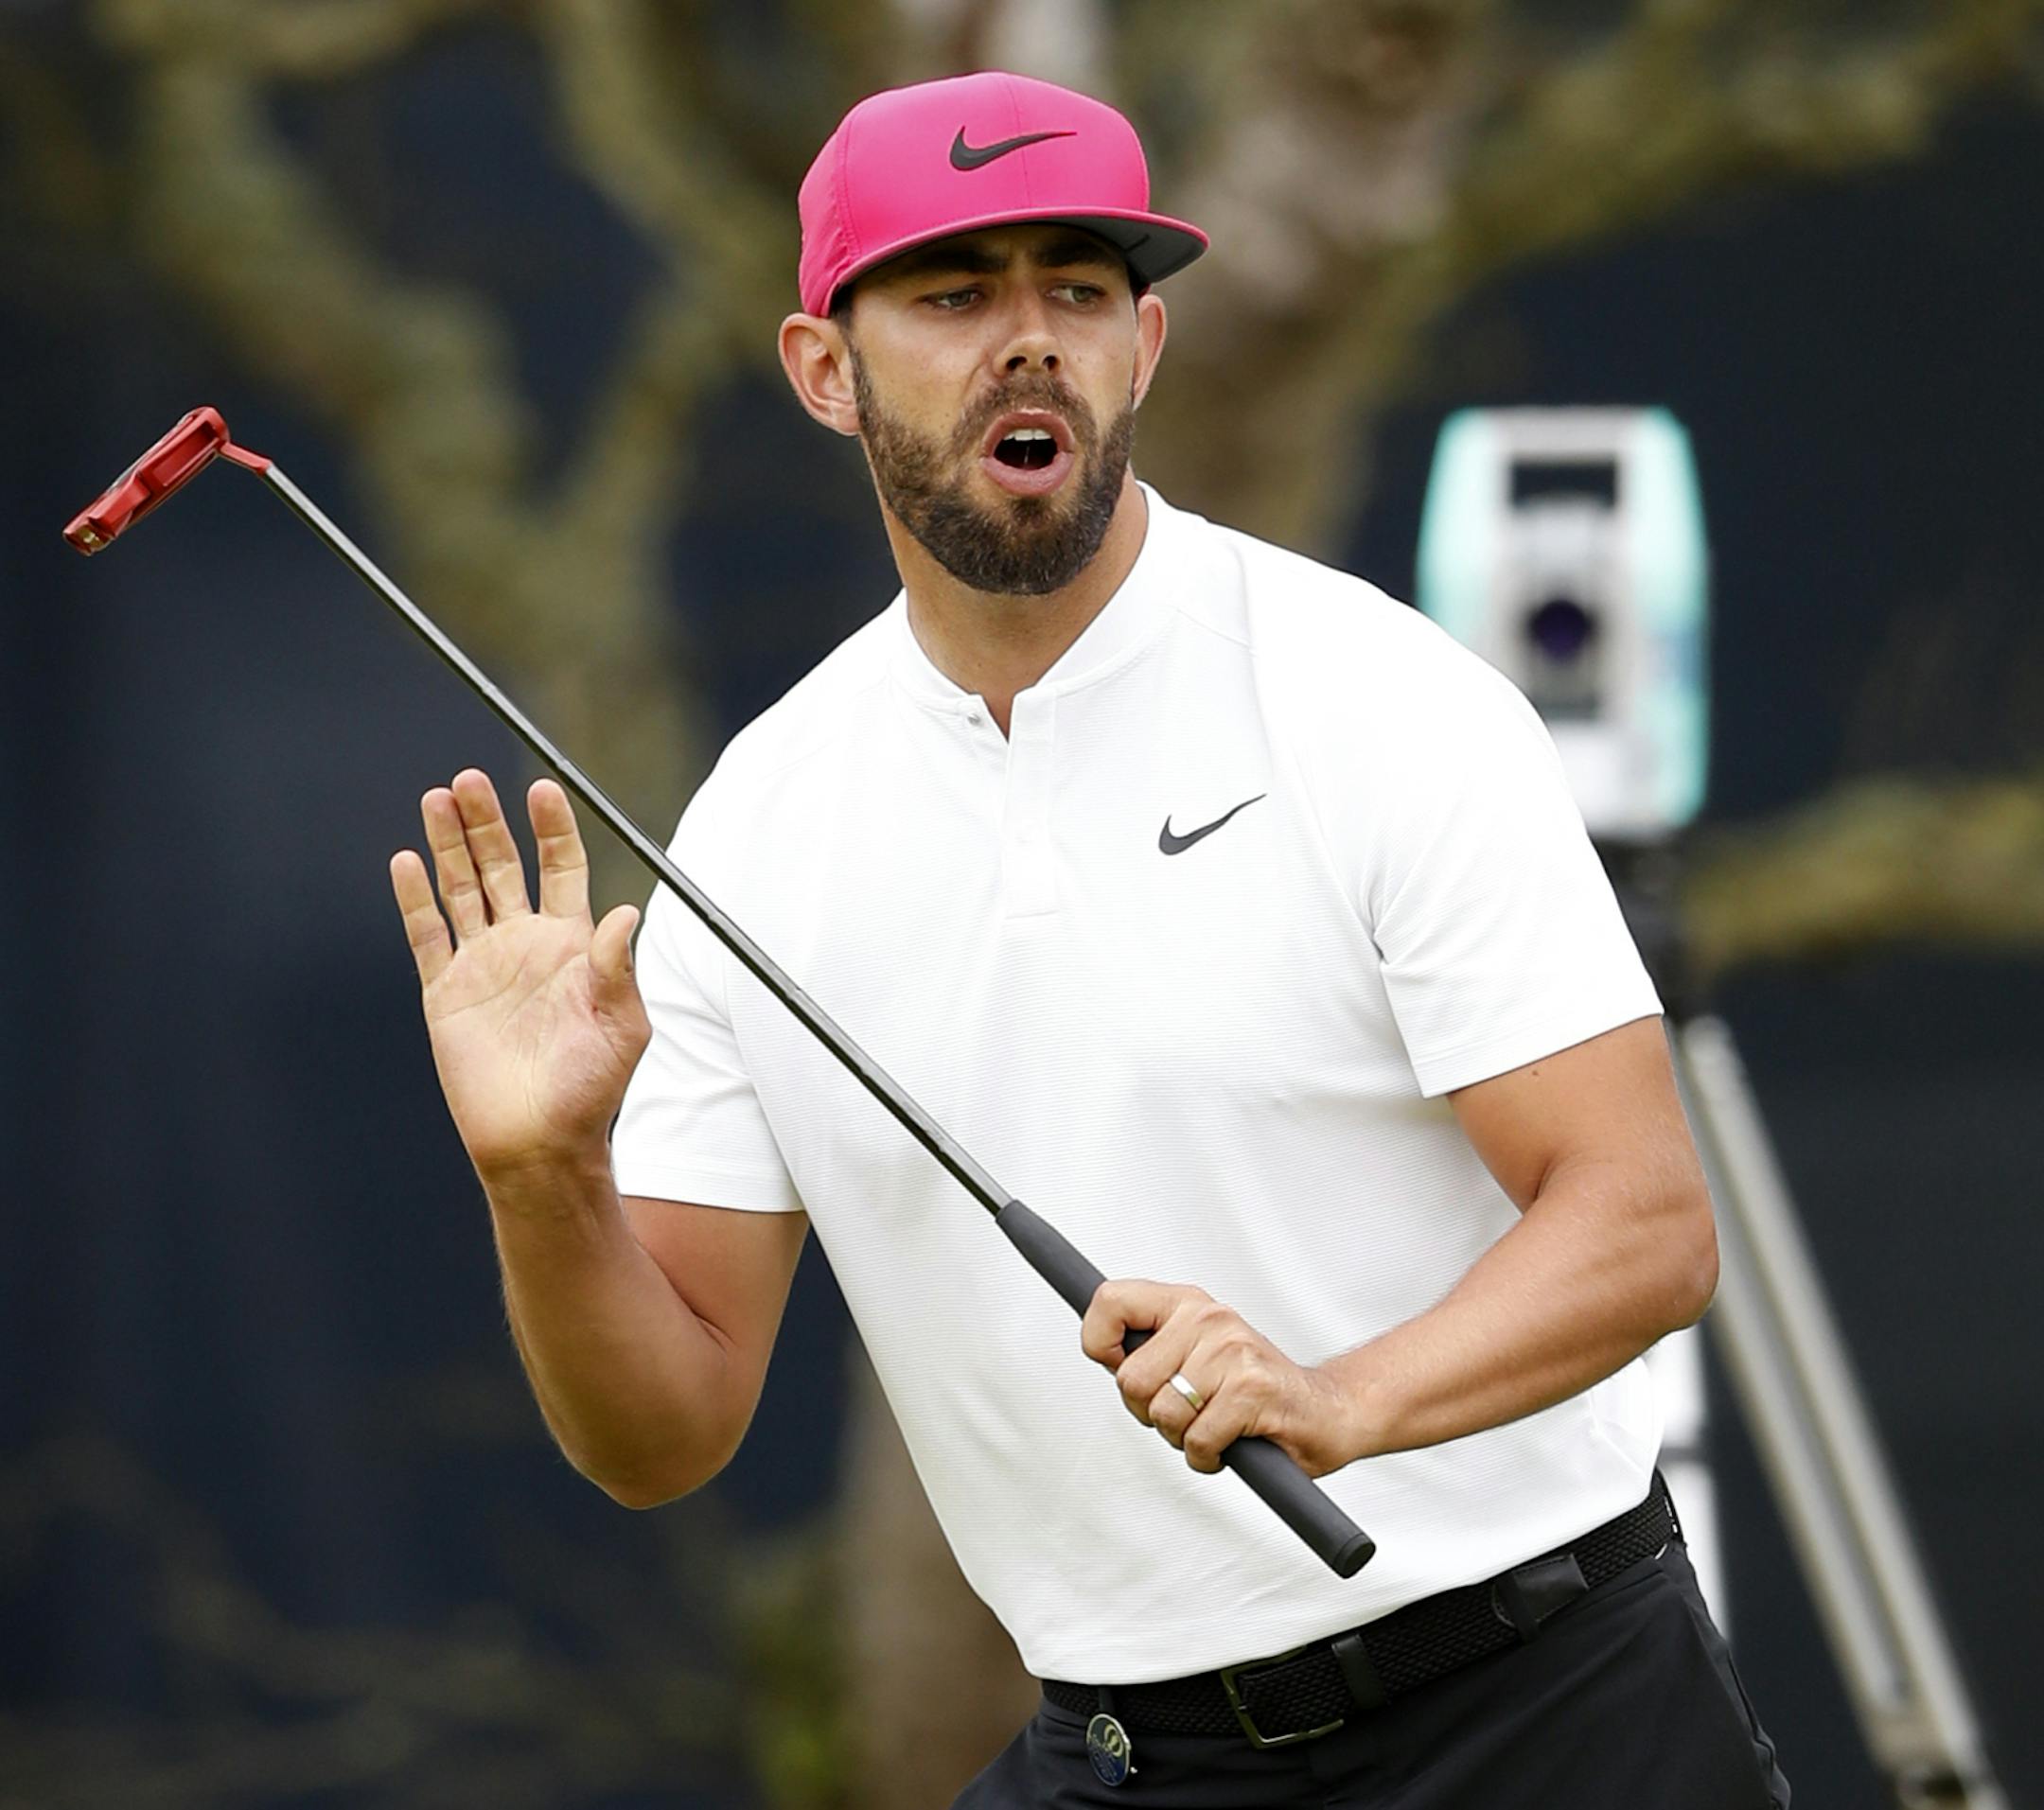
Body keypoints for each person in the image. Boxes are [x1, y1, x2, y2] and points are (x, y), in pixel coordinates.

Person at [387, 69, 1789, 1808]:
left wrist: (1339, 1397)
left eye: (1079, 286)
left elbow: (1645, 1221)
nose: (1030, 337)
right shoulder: (762, 820)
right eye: (957, 292)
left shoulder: (1376, 699)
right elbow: (665, 1431)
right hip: (1132, 1754)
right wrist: (545, 1183)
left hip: (1543, 1715)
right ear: (825, 372)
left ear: (1149, 346)